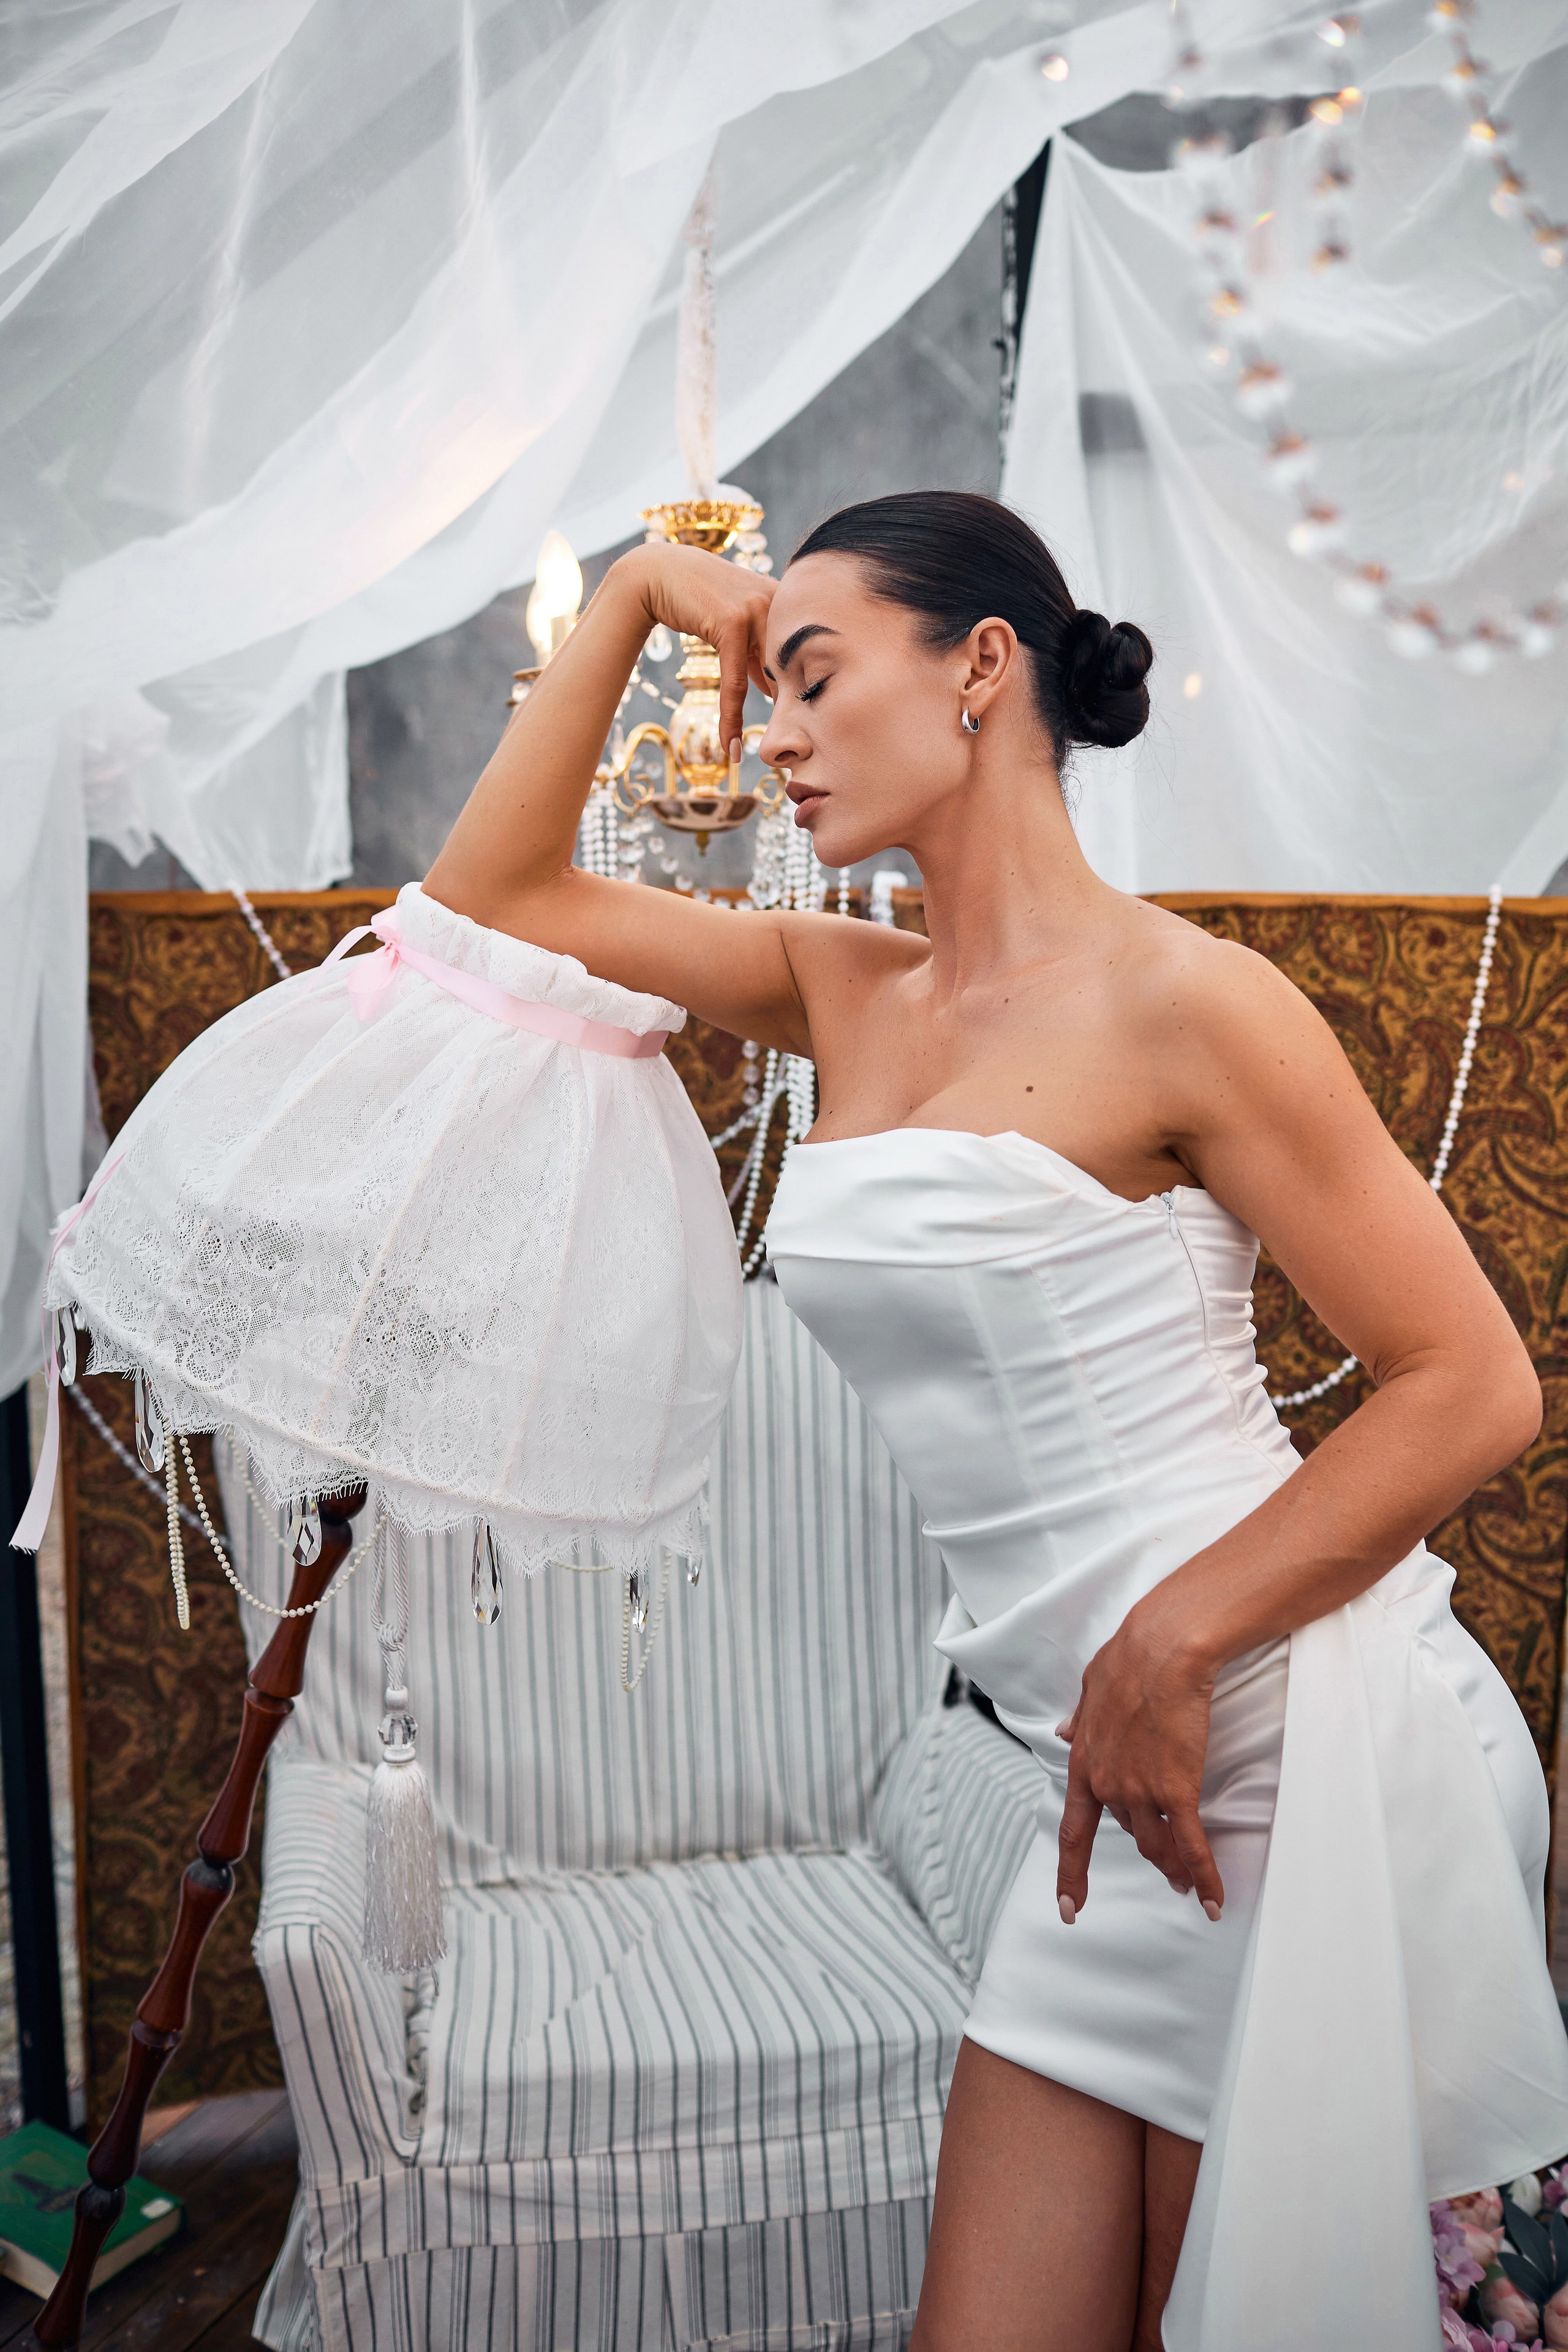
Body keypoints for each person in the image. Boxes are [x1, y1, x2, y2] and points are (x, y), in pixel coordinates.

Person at [423, 490, 1568, 2351]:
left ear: (980, 669)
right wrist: (643, 589)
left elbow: (1475, 1384)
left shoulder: (1198, 1004)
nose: (763, 736)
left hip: (1296, 1758)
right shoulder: (841, 986)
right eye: (756, 686)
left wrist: (1170, 1638)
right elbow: (500, 892)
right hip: (1088, 1796)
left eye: (806, 676)